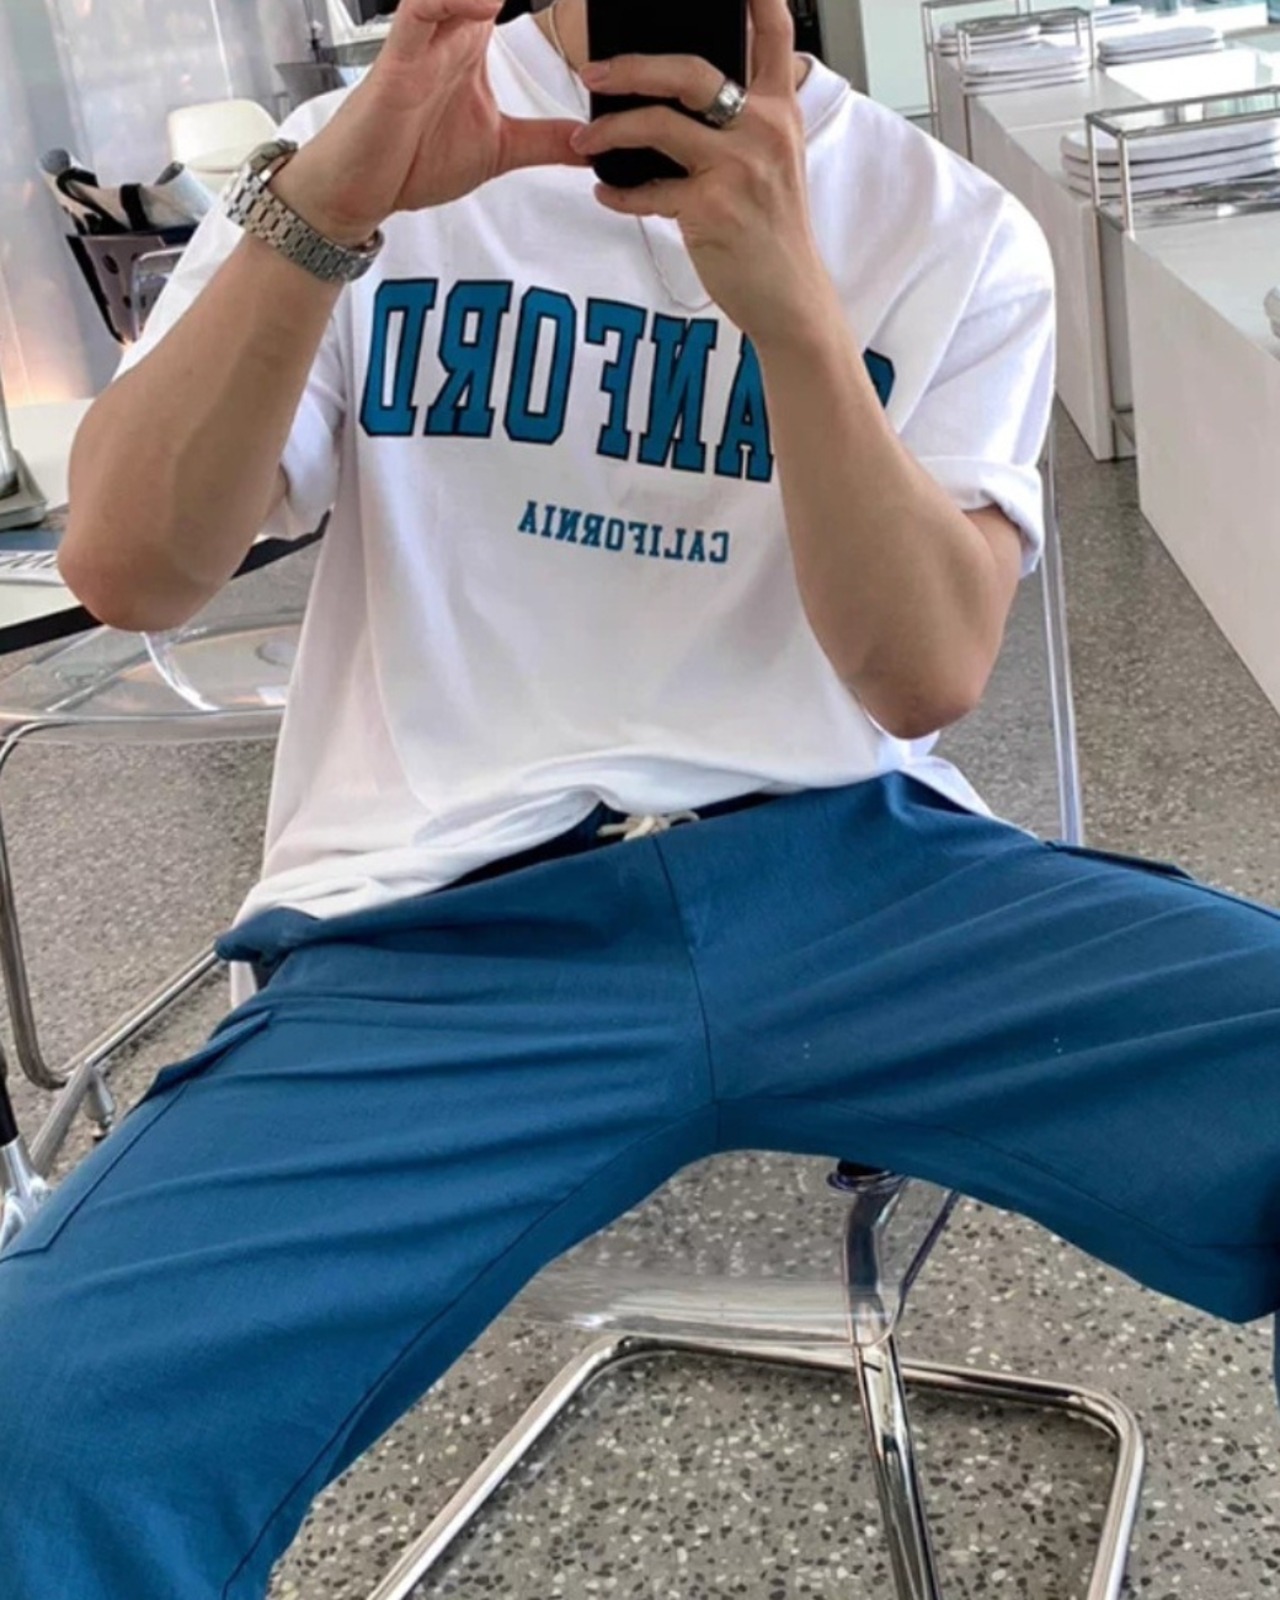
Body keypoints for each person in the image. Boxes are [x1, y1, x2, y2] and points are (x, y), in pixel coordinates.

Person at [1, 0, 1277, 1594]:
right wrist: (322, 214)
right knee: (40, 1430)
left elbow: (924, 672)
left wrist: (793, 311)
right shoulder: (355, 160)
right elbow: (128, 568)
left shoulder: (948, 226)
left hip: (859, 878)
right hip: (436, 930)